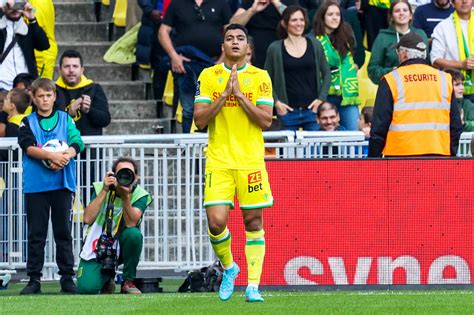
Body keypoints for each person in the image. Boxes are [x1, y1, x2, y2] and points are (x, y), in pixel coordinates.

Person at [194, 24, 273, 302]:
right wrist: (225, 96)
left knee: (253, 221)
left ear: (248, 48)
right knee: (216, 222)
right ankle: (230, 268)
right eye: (230, 38)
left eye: (240, 38)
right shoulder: (208, 76)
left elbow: (266, 120)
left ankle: (253, 285)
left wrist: (240, 96)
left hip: (250, 161)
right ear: (223, 47)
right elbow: (200, 120)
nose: (235, 42)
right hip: (219, 160)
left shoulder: (261, 77)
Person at [18, 78, 85, 294]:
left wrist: (65, 156)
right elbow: (28, 147)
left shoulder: (65, 119)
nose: (45, 99)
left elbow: (77, 142)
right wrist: (52, 156)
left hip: (61, 185)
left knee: (63, 232)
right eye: (40, 96)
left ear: (54, 97)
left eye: (49, 95)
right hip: (37, 186)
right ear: (34, 99)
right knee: (36, 234)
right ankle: (34, 280)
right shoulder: (27, 122)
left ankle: (67, 277)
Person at [369, 32, 463, 157]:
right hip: (438, 154)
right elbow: (455, 125)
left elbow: (379, 127)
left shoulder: (391, 79)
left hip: (399, 156)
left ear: (404, 54)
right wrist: (450, 154)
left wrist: (373, 160)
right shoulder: (444, 79)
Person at [76, 157, 152, 295]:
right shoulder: (101, 187)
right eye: (121, 173)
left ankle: (128, 281)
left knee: (134, 235)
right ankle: (106, 278)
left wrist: (125, 197)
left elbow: (131, 223)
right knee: (87, 289)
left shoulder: (140, 194)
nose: (125, 177)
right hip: (100, 244)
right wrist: (104, 191)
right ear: (113, 175)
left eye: (129, 174)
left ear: (136, 177)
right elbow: (87, 218)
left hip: (123, 245)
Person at [158, 0, 232, 133]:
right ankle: (188, 150)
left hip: (214, 64)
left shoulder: (221, 3)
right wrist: (174, 56)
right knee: (188, 110)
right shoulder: (176, 3)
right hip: (187, 66)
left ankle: (210, 146)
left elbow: (231, 31)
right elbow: (162, 32)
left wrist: (222, 60)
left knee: (216, 107)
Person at [265, 5, 330, 131]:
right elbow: (265, 79)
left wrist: (321, 99)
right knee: (287, 151)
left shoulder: (315, 44)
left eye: (301, 19)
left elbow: (327, 73)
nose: (299, 23)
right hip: (287, 112)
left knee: (314, 150)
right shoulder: (275, 48)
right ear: (284, 23)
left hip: (312, 111)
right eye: (294, 20)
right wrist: (276, 102)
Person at [313, 0, 361, 130]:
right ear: (322, 17)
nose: (335, 17)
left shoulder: (347, 34)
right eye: (330, 14)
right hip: (325, 94)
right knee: (324, 140)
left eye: (337, 14)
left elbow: (355, 56)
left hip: (347, 94)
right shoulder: (313, 39)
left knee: (353, 135)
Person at [368, 0, 429, 85]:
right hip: (393, 87)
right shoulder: (383, 37)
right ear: (391, 17)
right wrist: (393, 71)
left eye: (405, 10)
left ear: (411, 15)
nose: (401, 13)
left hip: (419, 86)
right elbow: (372, 70)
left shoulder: (420, 34)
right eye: (397, 11)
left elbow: (428, 63)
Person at [55, 50, 111, 136]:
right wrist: (68, 114)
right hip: (62, 147)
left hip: (90, 147)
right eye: (66, 66)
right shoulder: (52, 90)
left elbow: (105, 120)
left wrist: (89, 110)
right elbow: (45, 122)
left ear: (82, 70)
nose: (71, 70)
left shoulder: (94, 89)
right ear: (60, 70)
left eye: (75, 66)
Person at [230, 0, 298, 68]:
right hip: (254, 54)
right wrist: (252, 10)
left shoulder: (289, 1)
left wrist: (276, 3)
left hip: (279, 53)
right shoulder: (252, 1)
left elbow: (296, 20)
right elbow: (232, 25)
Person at [0, 1, 49, 91]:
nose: (15, 9)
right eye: (11, 6)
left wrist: (32, 19)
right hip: (2, 87)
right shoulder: (1, 28)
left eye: (19, 3)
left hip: (26, 88)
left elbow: (44, 45)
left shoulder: (28, 29)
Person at [430, 0, 474, 102]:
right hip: (453, 88)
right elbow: (435, 60)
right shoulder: (442, 27)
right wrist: (461, 64)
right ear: (452, 3)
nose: (464, 1)